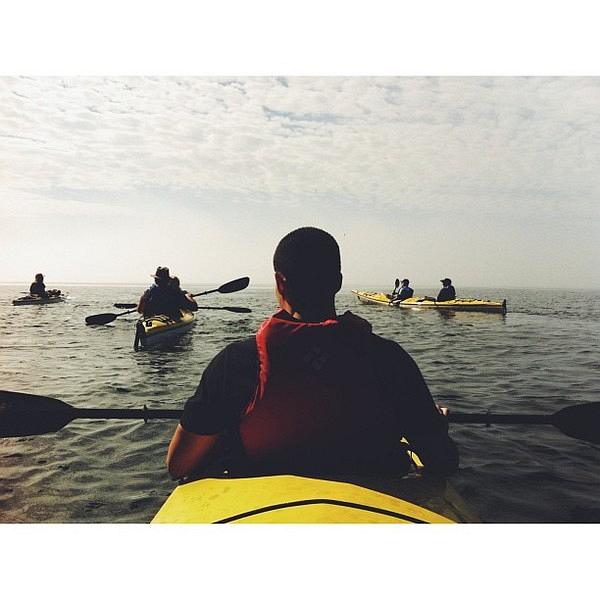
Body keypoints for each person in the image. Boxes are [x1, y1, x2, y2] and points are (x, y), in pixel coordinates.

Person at [166, 227, 458, 480]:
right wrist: (436, 425)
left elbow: (179, 465)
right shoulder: (389, 359)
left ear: (280, 282)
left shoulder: (237, 362)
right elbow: (442, 461)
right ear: (338, 281)